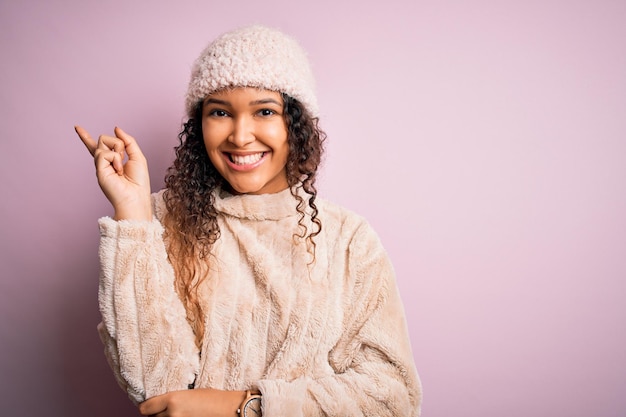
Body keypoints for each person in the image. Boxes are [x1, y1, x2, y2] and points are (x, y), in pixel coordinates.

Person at [75, 24, 422, 417]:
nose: (240, 136)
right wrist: (133, 214)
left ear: (297, 124)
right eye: (220, 112)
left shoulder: (348, 240)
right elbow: (152, 386)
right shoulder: (160, 221)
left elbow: (392, 398)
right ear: (198, 126)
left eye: (265, 111)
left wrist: (245, 406)